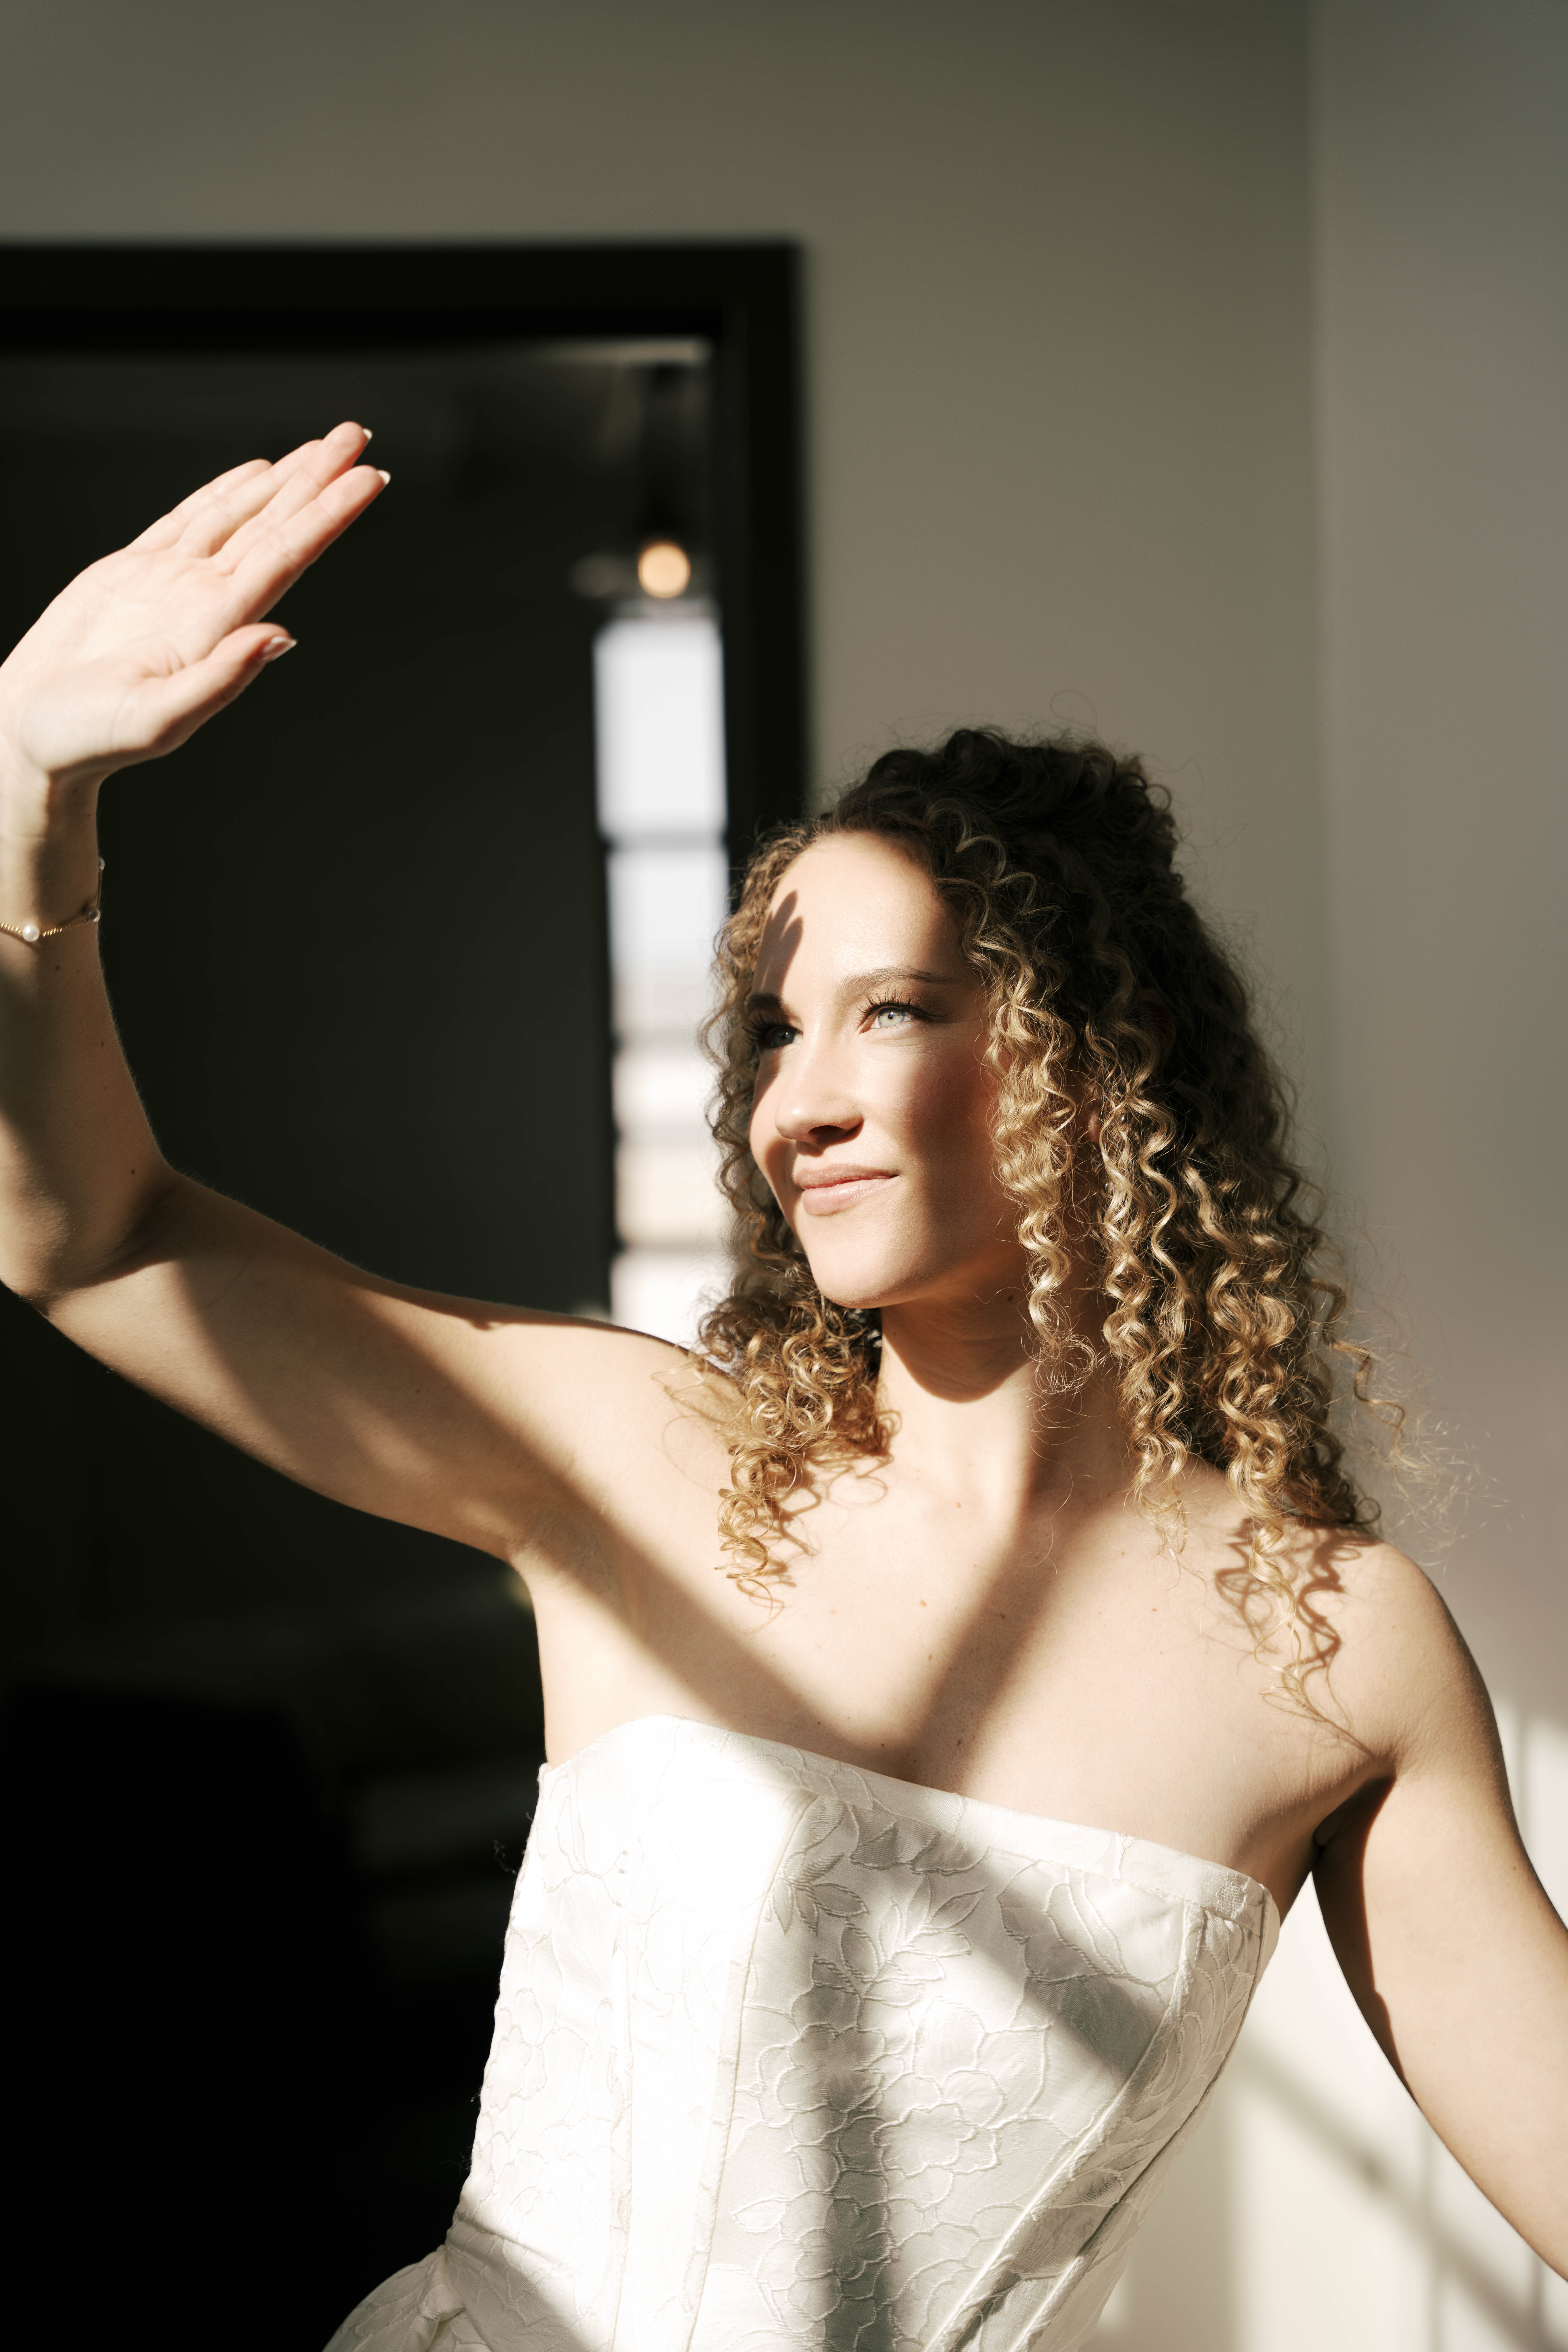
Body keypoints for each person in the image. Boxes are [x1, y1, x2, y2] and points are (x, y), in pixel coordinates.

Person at [0, 423, 1562, 2352]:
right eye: (770, 1032)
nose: (794, 1102)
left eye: (890, 1011)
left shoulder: (1334, 1644)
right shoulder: (637, 1456)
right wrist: (28, 795)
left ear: (1095, 1063)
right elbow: (88, 1237)